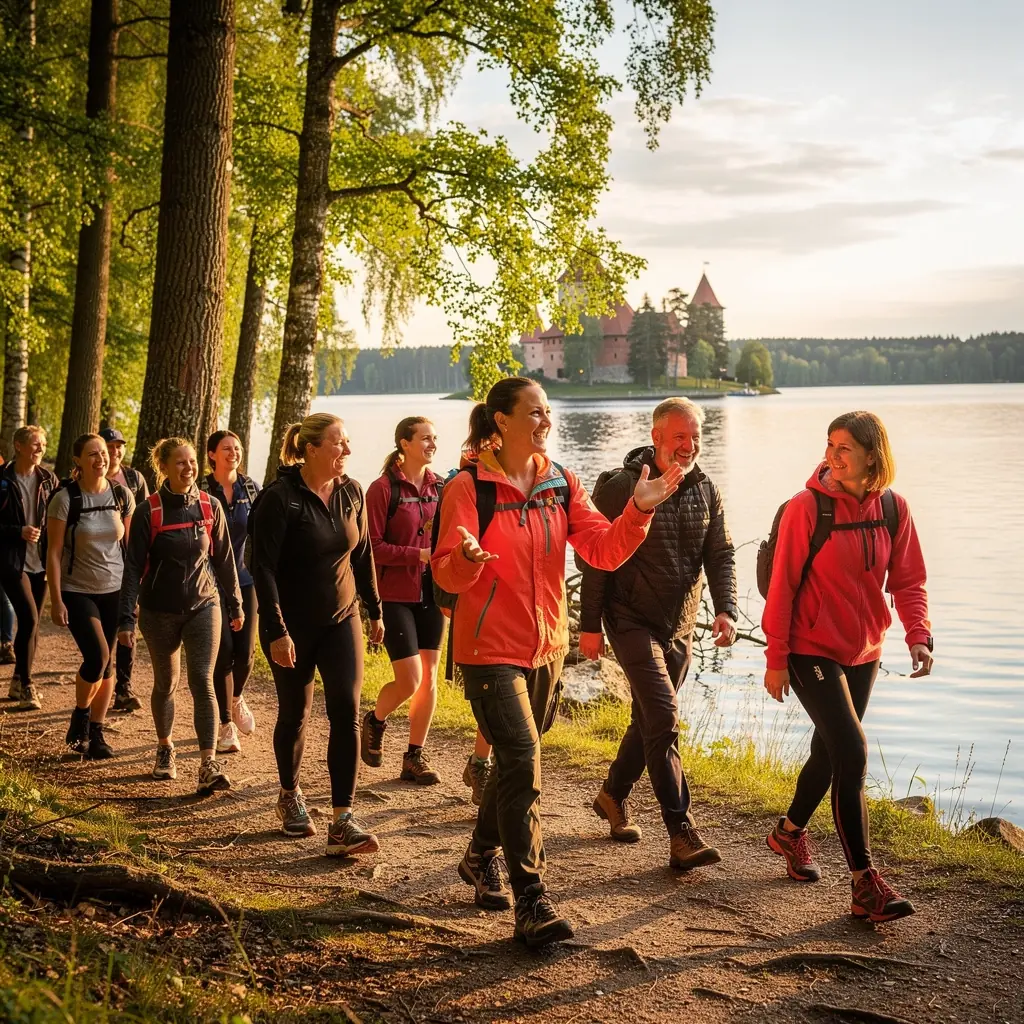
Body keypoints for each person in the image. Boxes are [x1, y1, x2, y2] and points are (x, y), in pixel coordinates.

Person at [431, 377, 683, 948]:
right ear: (501, 421)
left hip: (545, 649)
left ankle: (479, 855)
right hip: (487, 649)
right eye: (534, 412)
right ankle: (532, 899)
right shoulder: (468, 487)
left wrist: (638, 511)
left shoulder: (560, 482)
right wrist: (466, 559)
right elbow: (444, 571)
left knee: (515, 763)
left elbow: (602, 550)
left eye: (547, 411)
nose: (545, 420)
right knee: (524, 759)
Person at [762, 411, 933, 924]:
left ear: (871, 456)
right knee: (853, 751)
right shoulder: (806, 508)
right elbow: (782, 587)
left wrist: (918, 635)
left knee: (830, 751)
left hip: (865, 650)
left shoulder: (893, 509)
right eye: (829, 445)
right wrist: (776, 658)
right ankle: (864, 884)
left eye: (844, 449)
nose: (832, 457)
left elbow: (908, 580)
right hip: (809, 647)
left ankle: (788, 833)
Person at [579, 397, 738, 870]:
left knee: (648, 719)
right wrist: (590, 625)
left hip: (680, 624)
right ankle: (681, 832)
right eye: (679, 437)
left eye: (695, 437)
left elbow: (720, 554)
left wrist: (726, 609)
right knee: (665, 717)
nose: (689, 446)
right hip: (629, 618)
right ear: (656, 438)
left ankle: (612, 795)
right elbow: (595, 559)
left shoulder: (705, 488)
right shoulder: (624, 487)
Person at [250, 413, 384, 853]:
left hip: (342, 619)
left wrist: (374, 610)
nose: (347, 450)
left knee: (346, 710)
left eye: (347, 443)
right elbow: (263, 568)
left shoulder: (351, 491)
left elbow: (362, 554)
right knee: (295, 713)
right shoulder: (279, 498)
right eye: (338, 443)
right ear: (310, 449)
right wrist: (276, 630)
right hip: (292, 626)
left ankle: (342, 820)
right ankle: (289, 795)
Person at [360, 417, 494, 788]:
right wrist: (417, 555)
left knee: (429, 678)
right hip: (393, 595)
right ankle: (375, 720)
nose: (432, 444)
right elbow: (371, 547)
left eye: (435, 438)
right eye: (424, 438)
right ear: (404, 443)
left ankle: (414, 756)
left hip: (433, 592)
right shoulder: (382, 489)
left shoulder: (442, 486)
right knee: (410, 679)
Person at [117, 437, 243, 795]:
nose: (188, 468)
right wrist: (126, 618)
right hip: (159, 611)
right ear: (164, 467)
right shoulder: (149, 511)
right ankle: (165, 747)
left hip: (204, 605)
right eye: (180, 463)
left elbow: (224, 560)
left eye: (191, 462)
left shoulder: (209, 505)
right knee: (166, 683)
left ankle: (208, 764)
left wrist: (235, 604)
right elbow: (132, 567)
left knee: (202, 680)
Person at [47, 434, 135, 759]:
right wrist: (56, 599)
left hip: (115, 590)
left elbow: (131, 550)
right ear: (78, 461)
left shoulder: (122, 495)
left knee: (108, 664)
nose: (101, 459)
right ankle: (81, 713)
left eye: (103, 453)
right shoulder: (65, 499)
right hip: (77, 591)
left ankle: (95, 733)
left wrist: (134, 595)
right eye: (93, 454)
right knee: (97, 657)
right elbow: (54, 552)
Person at [202, 430, 260, 755]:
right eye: (226, 448)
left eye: (237, 448)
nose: (233, 453)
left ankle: (235, 698)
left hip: (246, 581)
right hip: (210, 584)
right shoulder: (200, 490)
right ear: (212, 454)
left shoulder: (250, 489)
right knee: (223, 652)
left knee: (246, 652)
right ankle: (225, 724)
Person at [0, 426, 58, 710]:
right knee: (31, 618)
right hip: (12, 562)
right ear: (19, 446)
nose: (40, 449)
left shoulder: (48, 479)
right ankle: (26, 685)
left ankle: (17, 680)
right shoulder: (3, 480)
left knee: (30, 626)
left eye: (43, 444)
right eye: (35, 444)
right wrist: (17, 531)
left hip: (42, 562)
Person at [101, 426, 149, 713]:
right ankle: (103, 679)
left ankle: (124, 688)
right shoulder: (88, 479)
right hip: (100, 565)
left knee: (128, 622)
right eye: (110, 446)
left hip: (130, 563)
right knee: (107, 628)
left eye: (119, 446)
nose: (115, 451)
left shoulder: (134, 479)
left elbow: (147, 516)